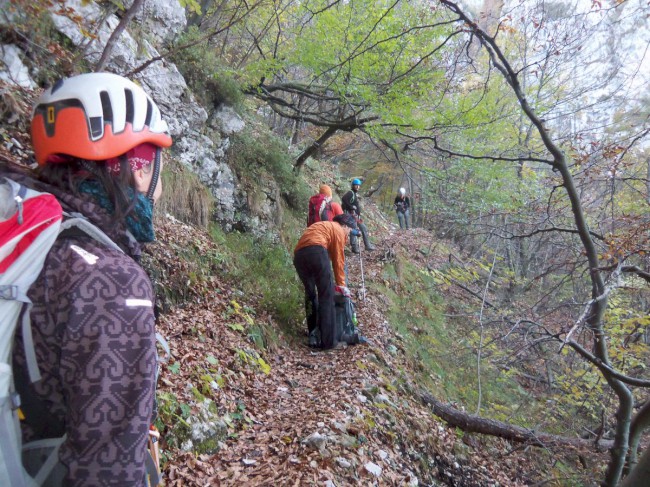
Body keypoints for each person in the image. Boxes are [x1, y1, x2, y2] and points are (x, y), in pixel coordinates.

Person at [4, 72, 172, 486]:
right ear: (132, 167)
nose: (159, 185)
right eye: (152, 164)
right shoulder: (113, 284)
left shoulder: (27, 231)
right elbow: (108, 468)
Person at [293, 214, 358, 350]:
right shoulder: (338, 230)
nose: (348, 234)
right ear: (345, 226)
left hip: (299, 255)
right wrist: (342, 285)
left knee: (310, 295)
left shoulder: (325, 226)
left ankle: (314, 334)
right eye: (350, 231)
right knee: (326, 296)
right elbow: (338, 261)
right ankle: (329, 342)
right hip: (316, 250)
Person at [341, 178, 375, 253]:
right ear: (353, 185)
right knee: (354, 230)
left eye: (359, 186)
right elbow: (344, 199)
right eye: (356, 185)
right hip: (351, 215)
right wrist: (350, 207)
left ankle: (367, 245)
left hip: (356, 216)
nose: (357, 187)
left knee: (363, 228)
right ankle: (355, 248)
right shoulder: (350, 192)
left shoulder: (354, 193)